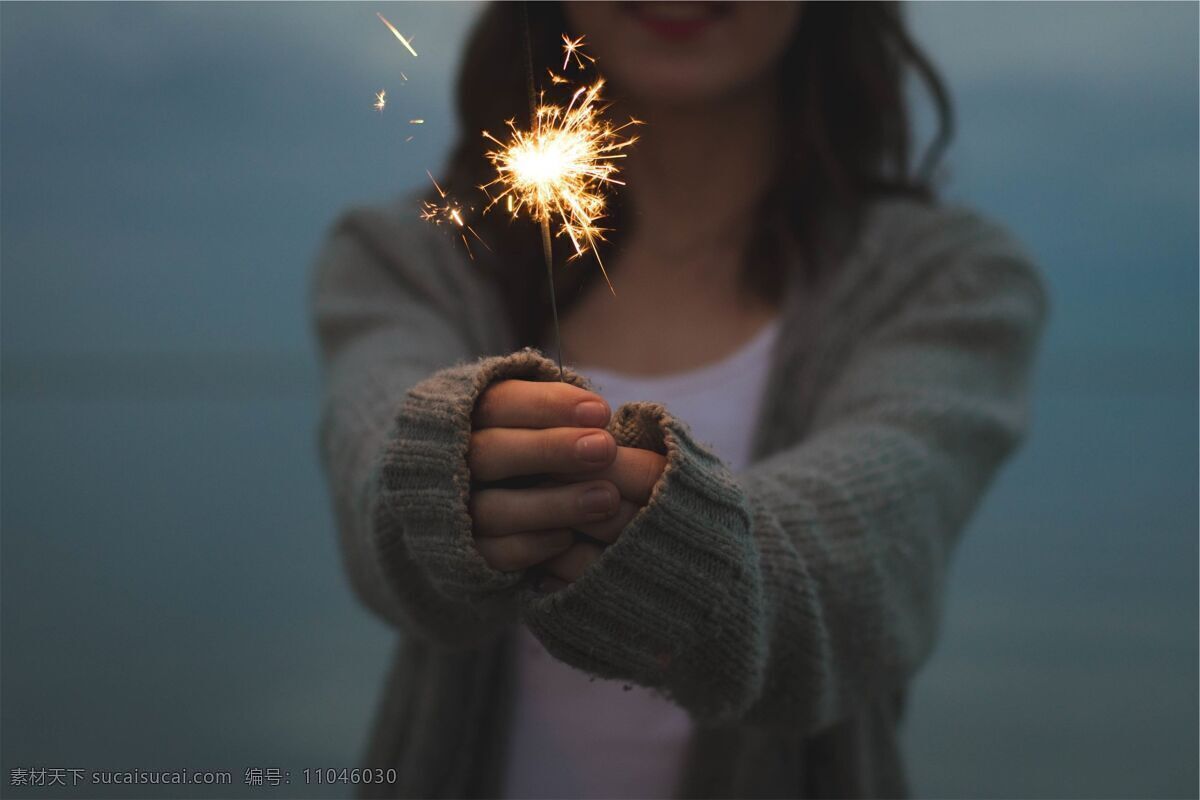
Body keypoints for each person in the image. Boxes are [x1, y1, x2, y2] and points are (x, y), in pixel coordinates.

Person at [310, 2, 1049, 798]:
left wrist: (683, 549)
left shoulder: (946, 282)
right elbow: (376, 471)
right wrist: (443, 475)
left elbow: (869, 563)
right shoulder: (413, 257)